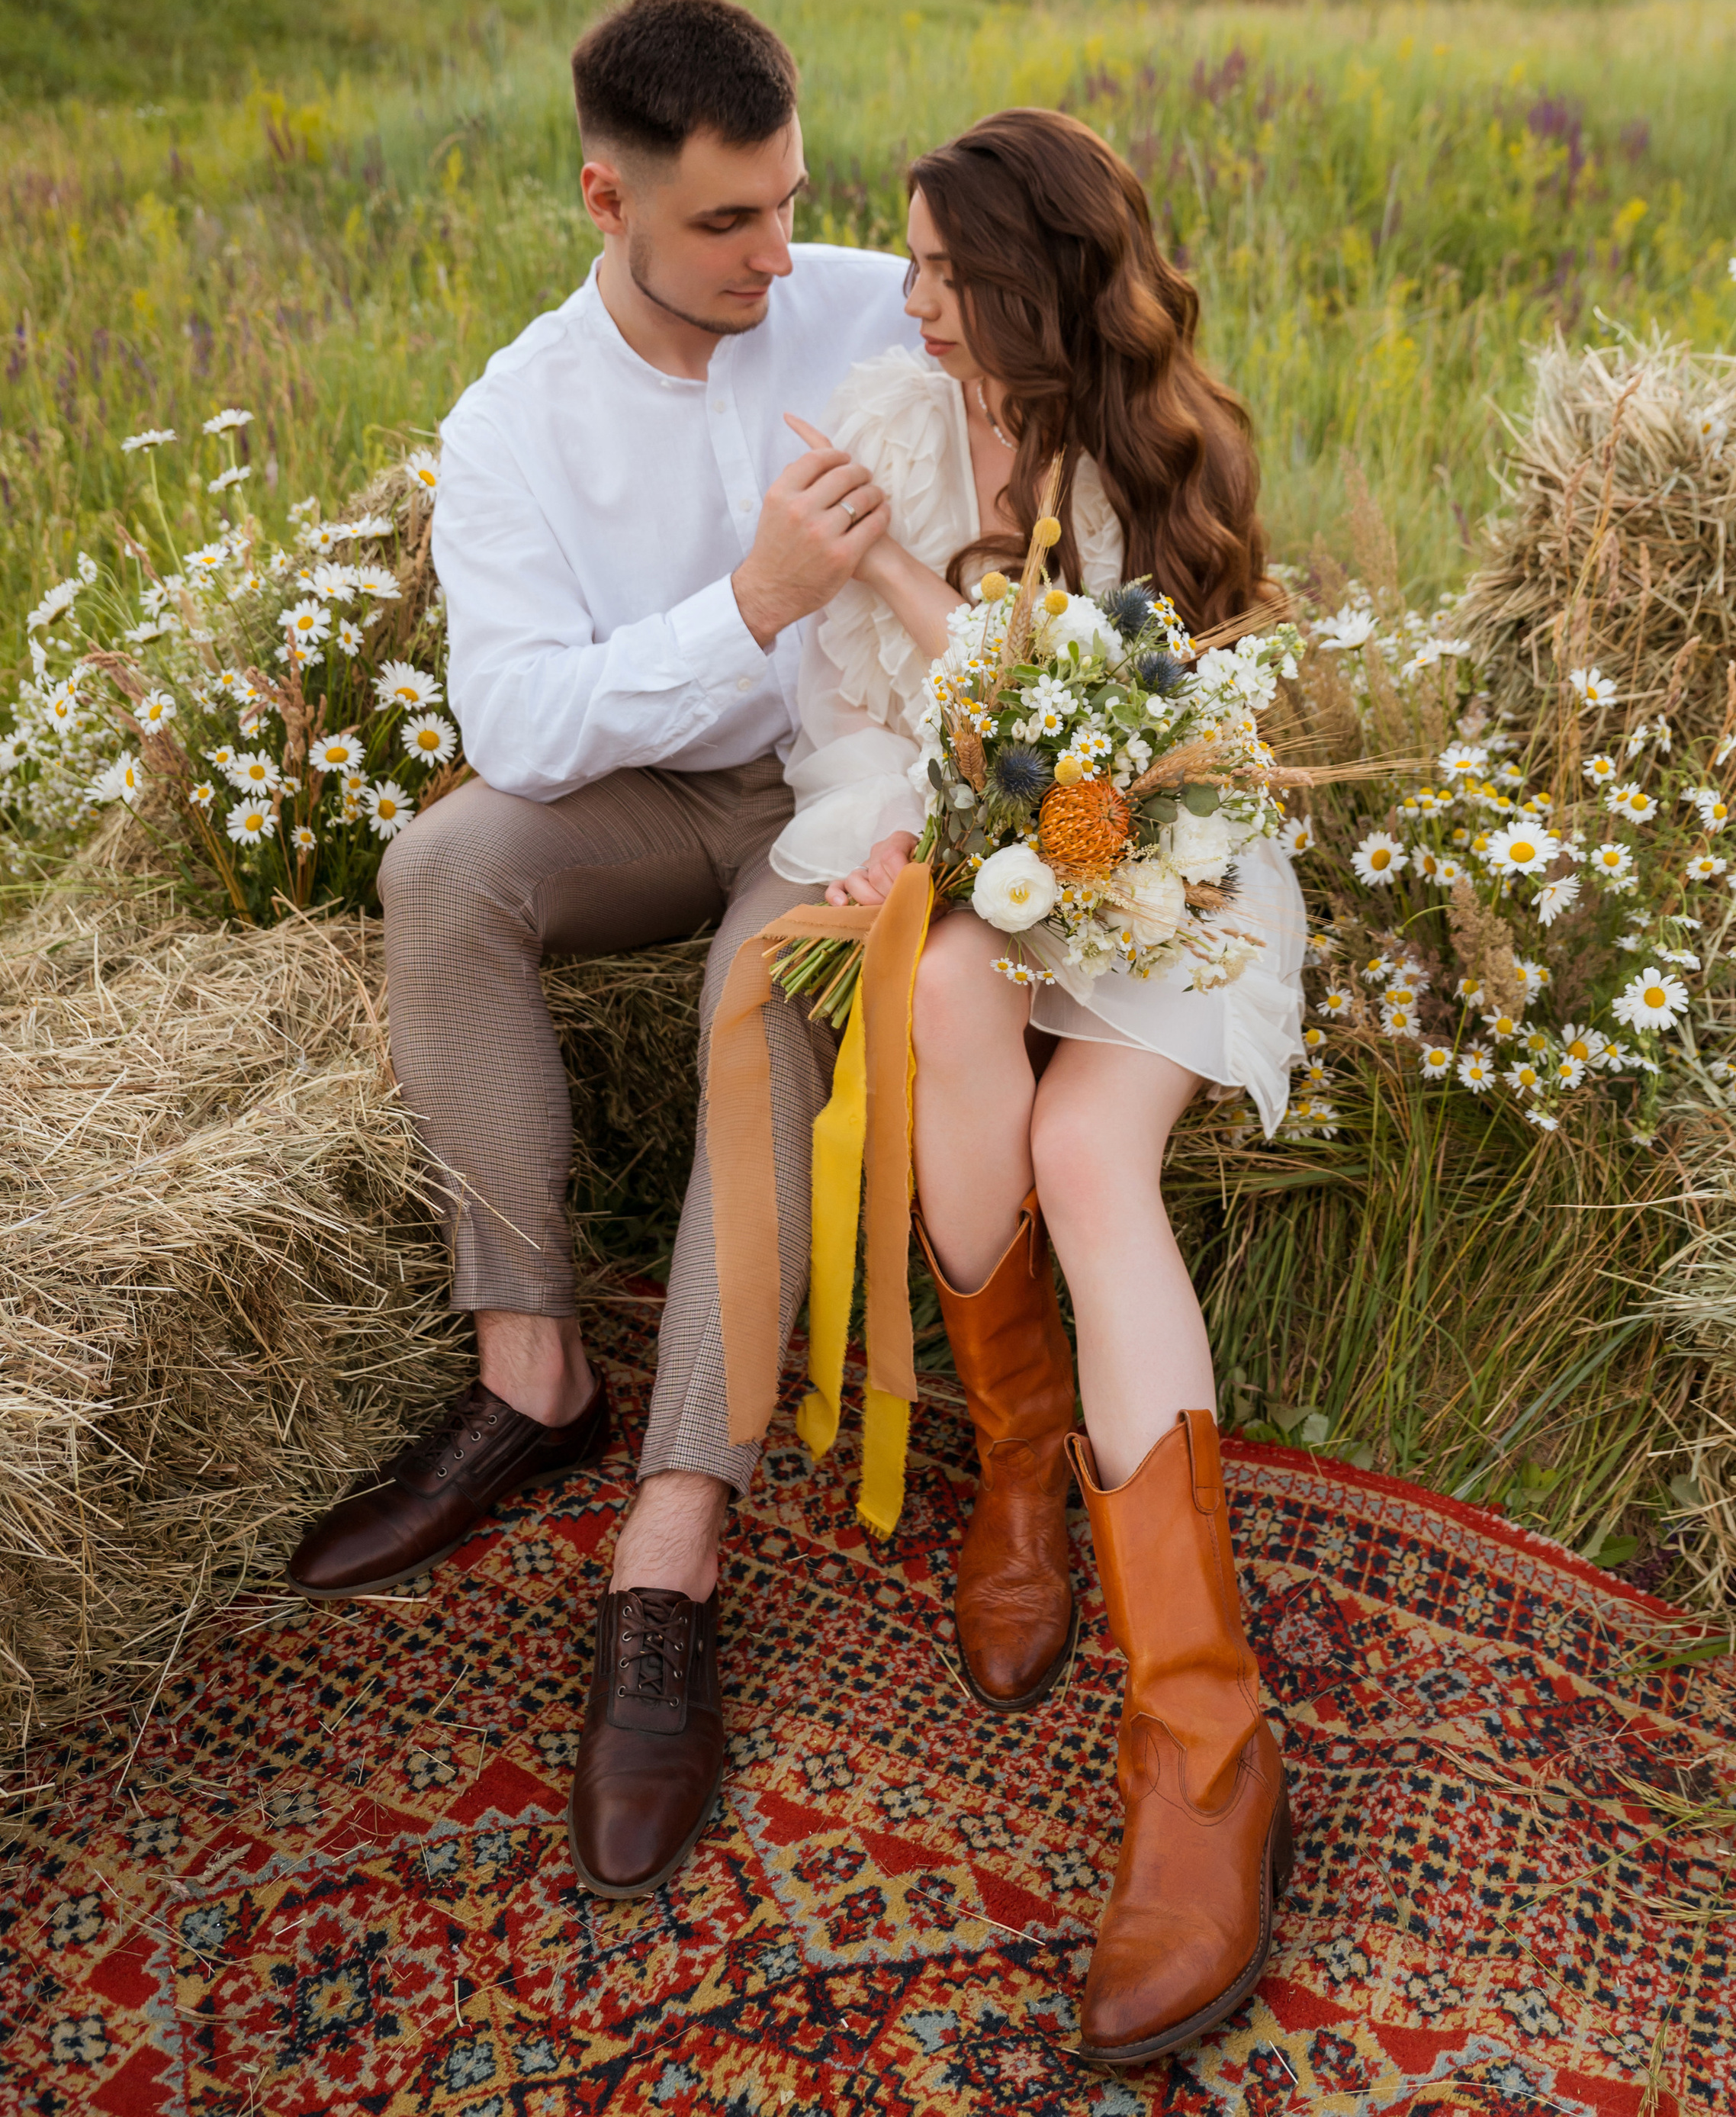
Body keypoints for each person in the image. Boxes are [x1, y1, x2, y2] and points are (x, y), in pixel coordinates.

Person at [285, 0, 914, 1900]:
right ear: (604, 198)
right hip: (649, 795)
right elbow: (521, 728)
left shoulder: (872, 305)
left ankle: (673, 1532)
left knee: (753, 1000)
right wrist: (748, 604)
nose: (774, 253)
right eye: (725, 219)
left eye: (788, 200)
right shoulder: (513, 422)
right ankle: (533, 1371)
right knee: (441, 867)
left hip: (844, 789)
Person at [770, 106, 1304, 2067]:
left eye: (942, 270)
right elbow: (856, 712)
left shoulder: (1151, 449)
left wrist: (912, 582)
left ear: (1037, 282)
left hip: (1153, 849)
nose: (910, 300)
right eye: (905, 263)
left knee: (1088, 1154)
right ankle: (1016, 1473)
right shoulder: (892, 424)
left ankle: (1203, 1739)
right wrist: (879, 838)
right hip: (976, 843)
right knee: (938, 985)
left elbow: (1101, 729)